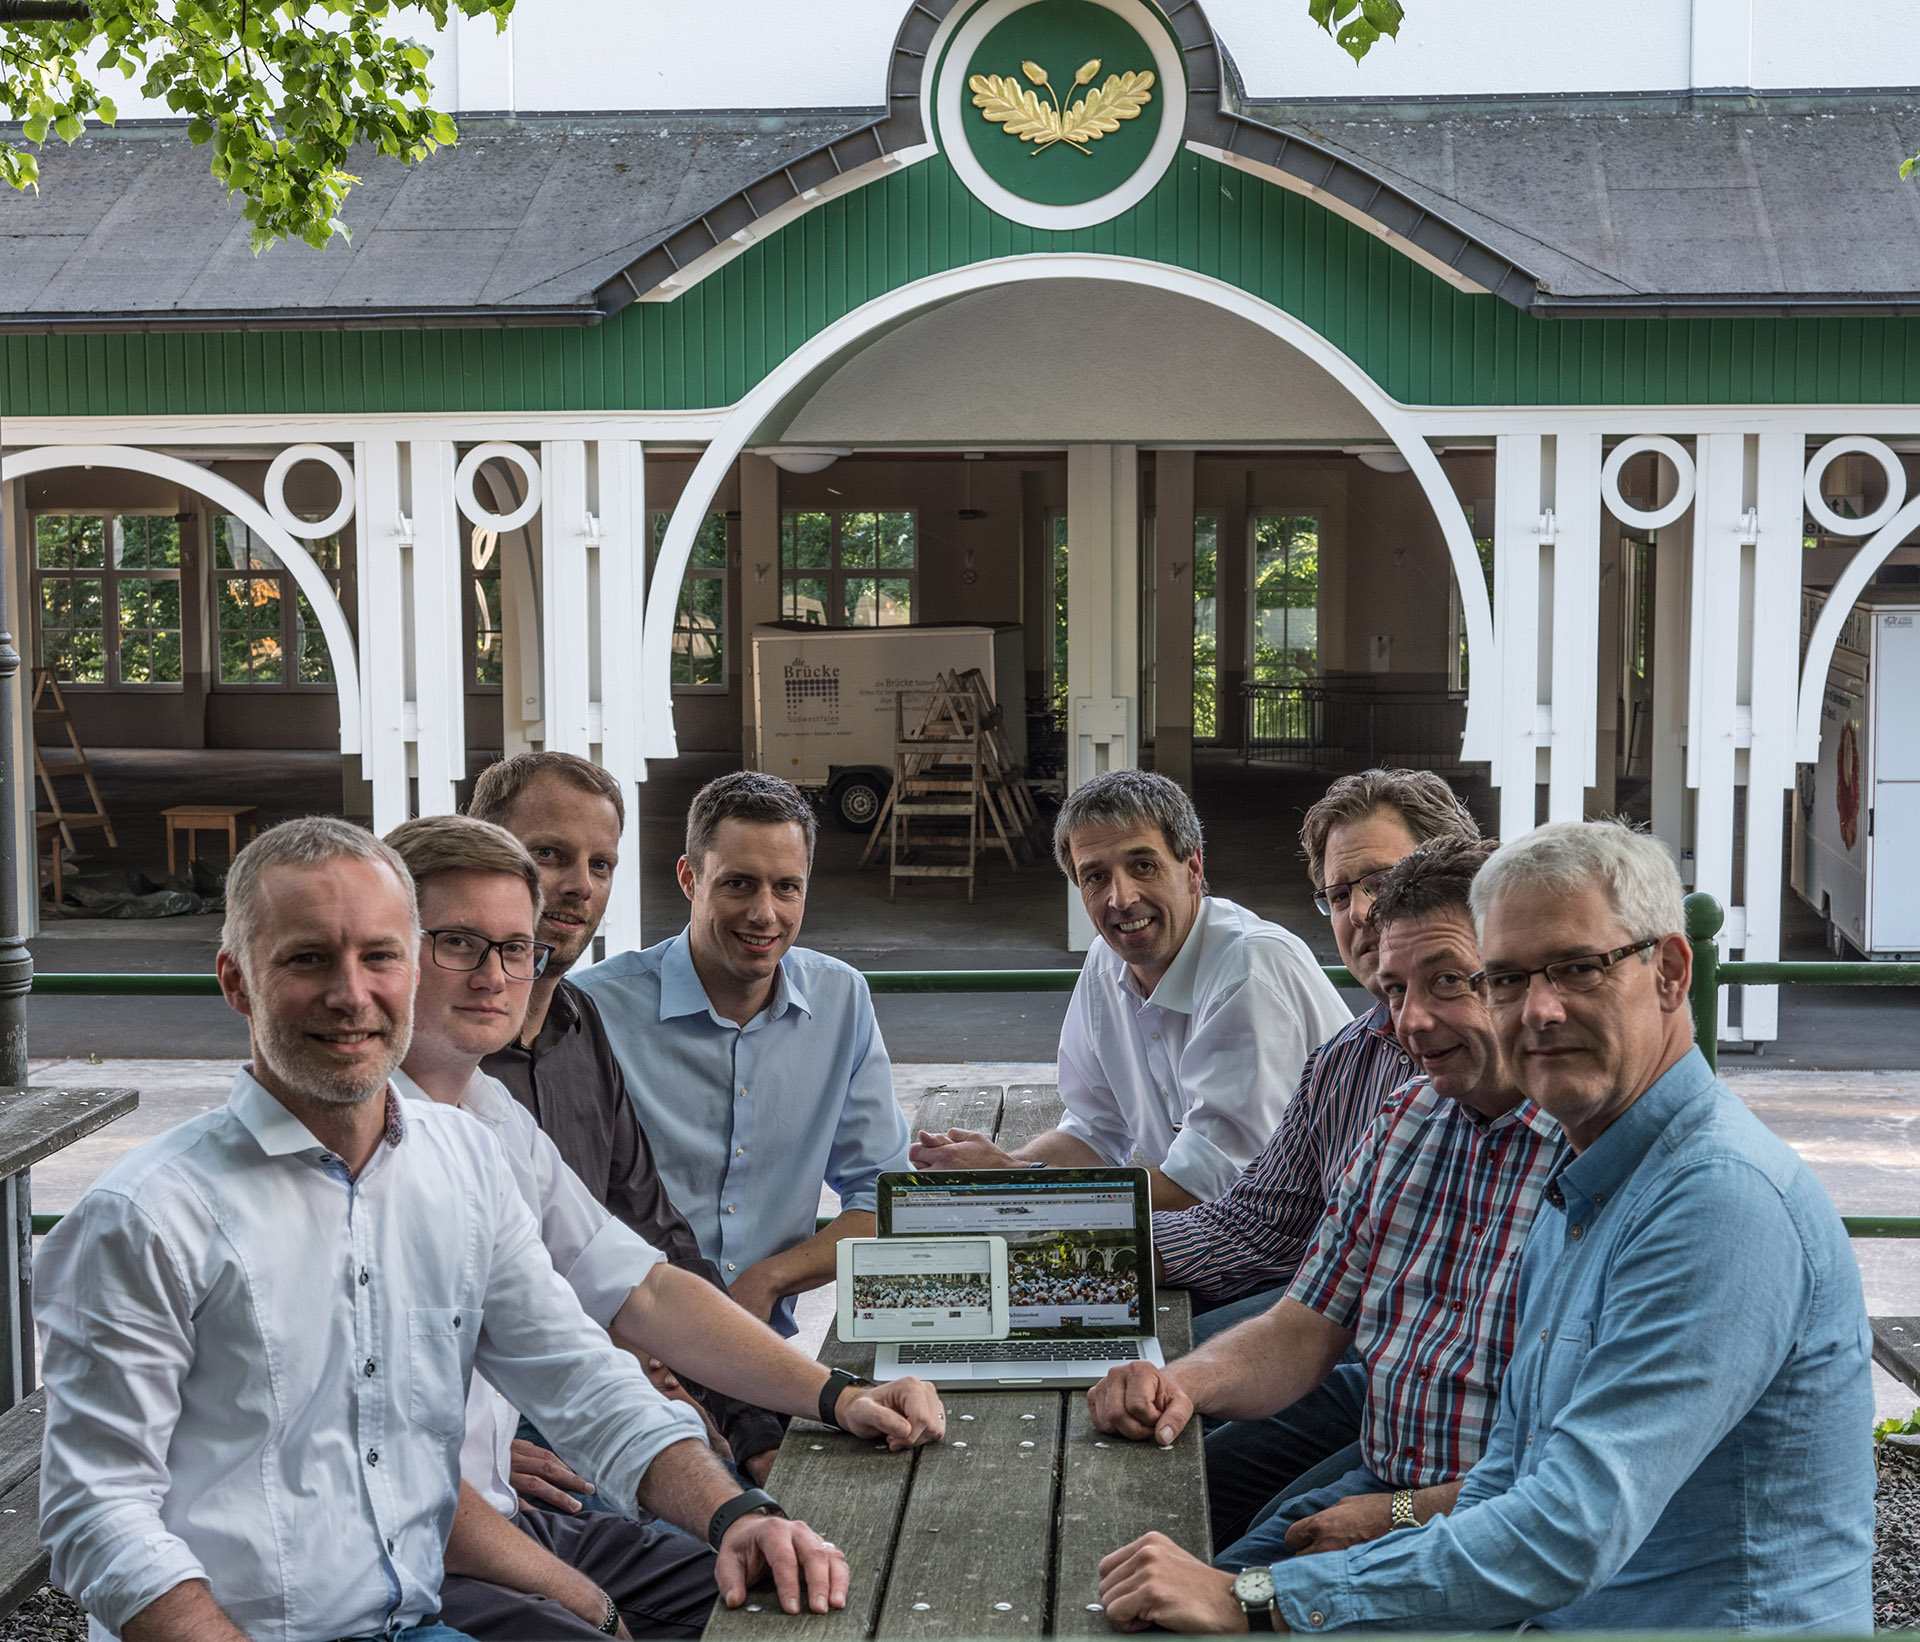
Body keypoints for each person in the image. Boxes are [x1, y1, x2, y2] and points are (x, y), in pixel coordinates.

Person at [36, 818, 849, 1642]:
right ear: (237, 983)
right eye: (307, 958)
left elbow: (579, 1377)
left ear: (412, 970)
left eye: (380, 957)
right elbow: (95, 1510)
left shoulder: (464, 1158)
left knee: (808, 1615)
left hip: (414, 1614)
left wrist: (735, 1515)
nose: (351, 994)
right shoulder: (146, 1216)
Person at [1094, 820, 1876, 1634]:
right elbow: (1510, 1475)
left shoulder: (1716, 1200)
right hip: (1539, 1596)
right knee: (1141, 1592)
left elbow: (1564, 1532)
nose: (1538, 1009)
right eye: (1505, 980)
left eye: (1578, 967)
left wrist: (1262, 1597)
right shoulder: (1593, 1170)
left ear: (1671, 973)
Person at [383, 815, 945, 1639]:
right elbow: (387, 1476)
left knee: (815, 1603)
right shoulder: (358, 1153)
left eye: (516, 948)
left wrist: (819, 1415)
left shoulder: (486, 1118)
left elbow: (637, 1294)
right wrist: (592, 1595)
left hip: (507, 1510)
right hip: (408, 1566)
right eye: (460, 945)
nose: (496, 976)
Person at [1091, 837, 1565, 1573]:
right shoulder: (1410, 1111)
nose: (1410, 1022)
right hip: (1392, 1450)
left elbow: (1573, 1484)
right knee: (1130, 1523)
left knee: (1194, 1563)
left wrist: (1396, 1514)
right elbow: (1300, 1322)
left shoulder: (1605, 1154)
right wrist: (1177, 1381)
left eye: (1447, 981)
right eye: (1395, 991)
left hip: (1476, 1518)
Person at [1153, 769, 1483, 1543]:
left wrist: (1396, 1513)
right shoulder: (1352, 1065)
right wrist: (1072, 1246)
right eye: (1339, 895)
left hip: (1411, 1397)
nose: (1363, 913)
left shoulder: (1532, 1096)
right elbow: (1249, 1228)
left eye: (1383, 884)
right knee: (1166, 1458)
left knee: (1203, 1497)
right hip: (1371, 1368)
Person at [467, 751, 786, 1485]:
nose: (580, 885)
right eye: (550, 855)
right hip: (504, 1424)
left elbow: (652, 1236)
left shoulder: (579, 1022)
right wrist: (461, 1445)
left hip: (603, 1385)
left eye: (601, 864)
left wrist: (755, 1428)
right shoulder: (432, 1055)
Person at [910, 769, 1350, 1211]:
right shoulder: (1106, 961)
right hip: (1238, 1226)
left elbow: (1211, 1189)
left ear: (1193, 868)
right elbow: (1092, 1131)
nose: (1121, 898)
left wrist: (1014, 1181)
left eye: (1143, 866)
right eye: (1095, 877)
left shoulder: (1247, 968)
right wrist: (1005, 1169)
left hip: (1322, 1235)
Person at [574, 772, 911, 1335]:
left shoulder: (840, 1000)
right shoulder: (594, 1010)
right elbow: (559, 1215)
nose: (764, 913)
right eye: (738, 884)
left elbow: (884, 1197)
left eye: (787, 887)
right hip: (620, 1346)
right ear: (689, 878)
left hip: (758, 1349)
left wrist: (769, 1281)